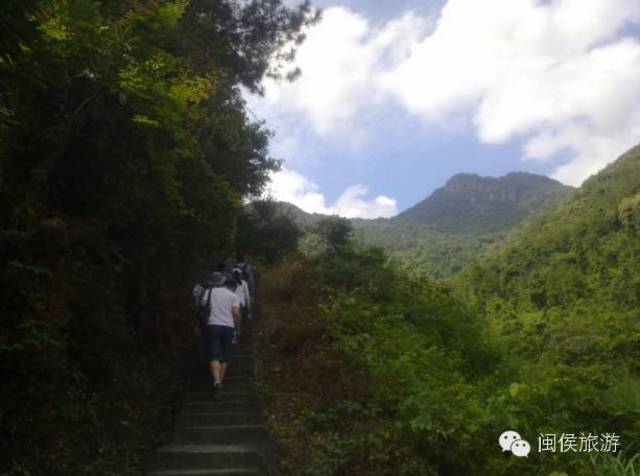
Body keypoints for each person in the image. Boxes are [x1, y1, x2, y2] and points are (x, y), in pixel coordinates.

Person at [200, 271, 241, 396]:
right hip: (228, 327)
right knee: (224, 356)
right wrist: (237, 328)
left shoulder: (209, 292)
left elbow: (203, 306)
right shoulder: (232, 295)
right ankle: (219, 382)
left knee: (214, 355)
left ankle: (217, 382)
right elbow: (236, 313)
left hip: (212, 325)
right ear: (223, 281)